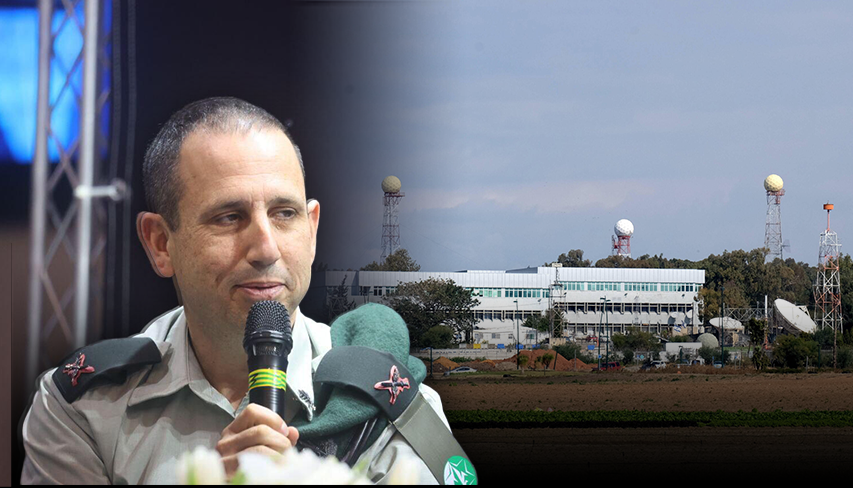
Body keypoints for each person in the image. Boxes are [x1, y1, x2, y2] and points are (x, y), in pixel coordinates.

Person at [20, 97, 457, 484]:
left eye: (284, 213)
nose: (266, 249)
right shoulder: (84, 408)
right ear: (160, 243)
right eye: (228, 217)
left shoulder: (389, 404)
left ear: (312, 228)